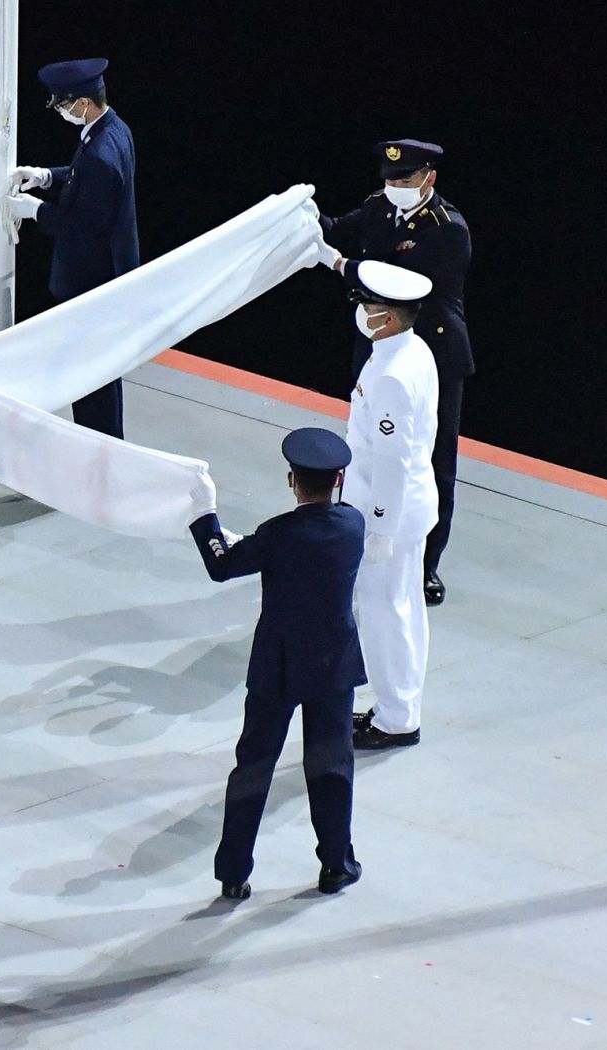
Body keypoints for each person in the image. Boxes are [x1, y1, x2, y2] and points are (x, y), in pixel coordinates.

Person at [187, 428, 367, 898]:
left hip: (278, 666)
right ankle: (336, 864)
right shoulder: (352, 525)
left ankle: (233, 872)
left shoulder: (276, 535)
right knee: (331, 766)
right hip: (333, 667)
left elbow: (223, 564)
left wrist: (204, 515)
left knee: (253, 767)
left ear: (292, 479)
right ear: (339, 479)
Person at [317, 139, 472, 606]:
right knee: (366, 442)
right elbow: (340, 227)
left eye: (404, 181)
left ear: (429, 178)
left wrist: (342, 265)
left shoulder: (448, 229)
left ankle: (426, 565)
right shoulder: (379, 207)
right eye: (389, 180)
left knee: (432, 459)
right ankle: (357, 540)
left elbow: (401, 284)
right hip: (379, 342)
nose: (395, 188)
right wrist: (301, 218)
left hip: (433, 352)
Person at [334, 261, 439, 750]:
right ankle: (400, 705)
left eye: (369, 305)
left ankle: (395, 719)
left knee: (383, 614)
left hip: (388, 514)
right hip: (408, 508)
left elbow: (391, 462)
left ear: (391, 317)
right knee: (404, 609)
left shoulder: (393, 374)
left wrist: (378, 528)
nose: (362, 311)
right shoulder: (411, 350)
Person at [6, 57, 139, 439]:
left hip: (90, 278)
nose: (63, 112)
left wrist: (35, 211)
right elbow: (86, 182)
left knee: (89, 375)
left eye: (64, 105)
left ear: (82, 103)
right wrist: (47, 176)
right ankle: (105, 443)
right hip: (108, 272)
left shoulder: (100, 152)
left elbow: (81, 226)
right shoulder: (114, 130)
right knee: (101, 371)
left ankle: (97, 445)